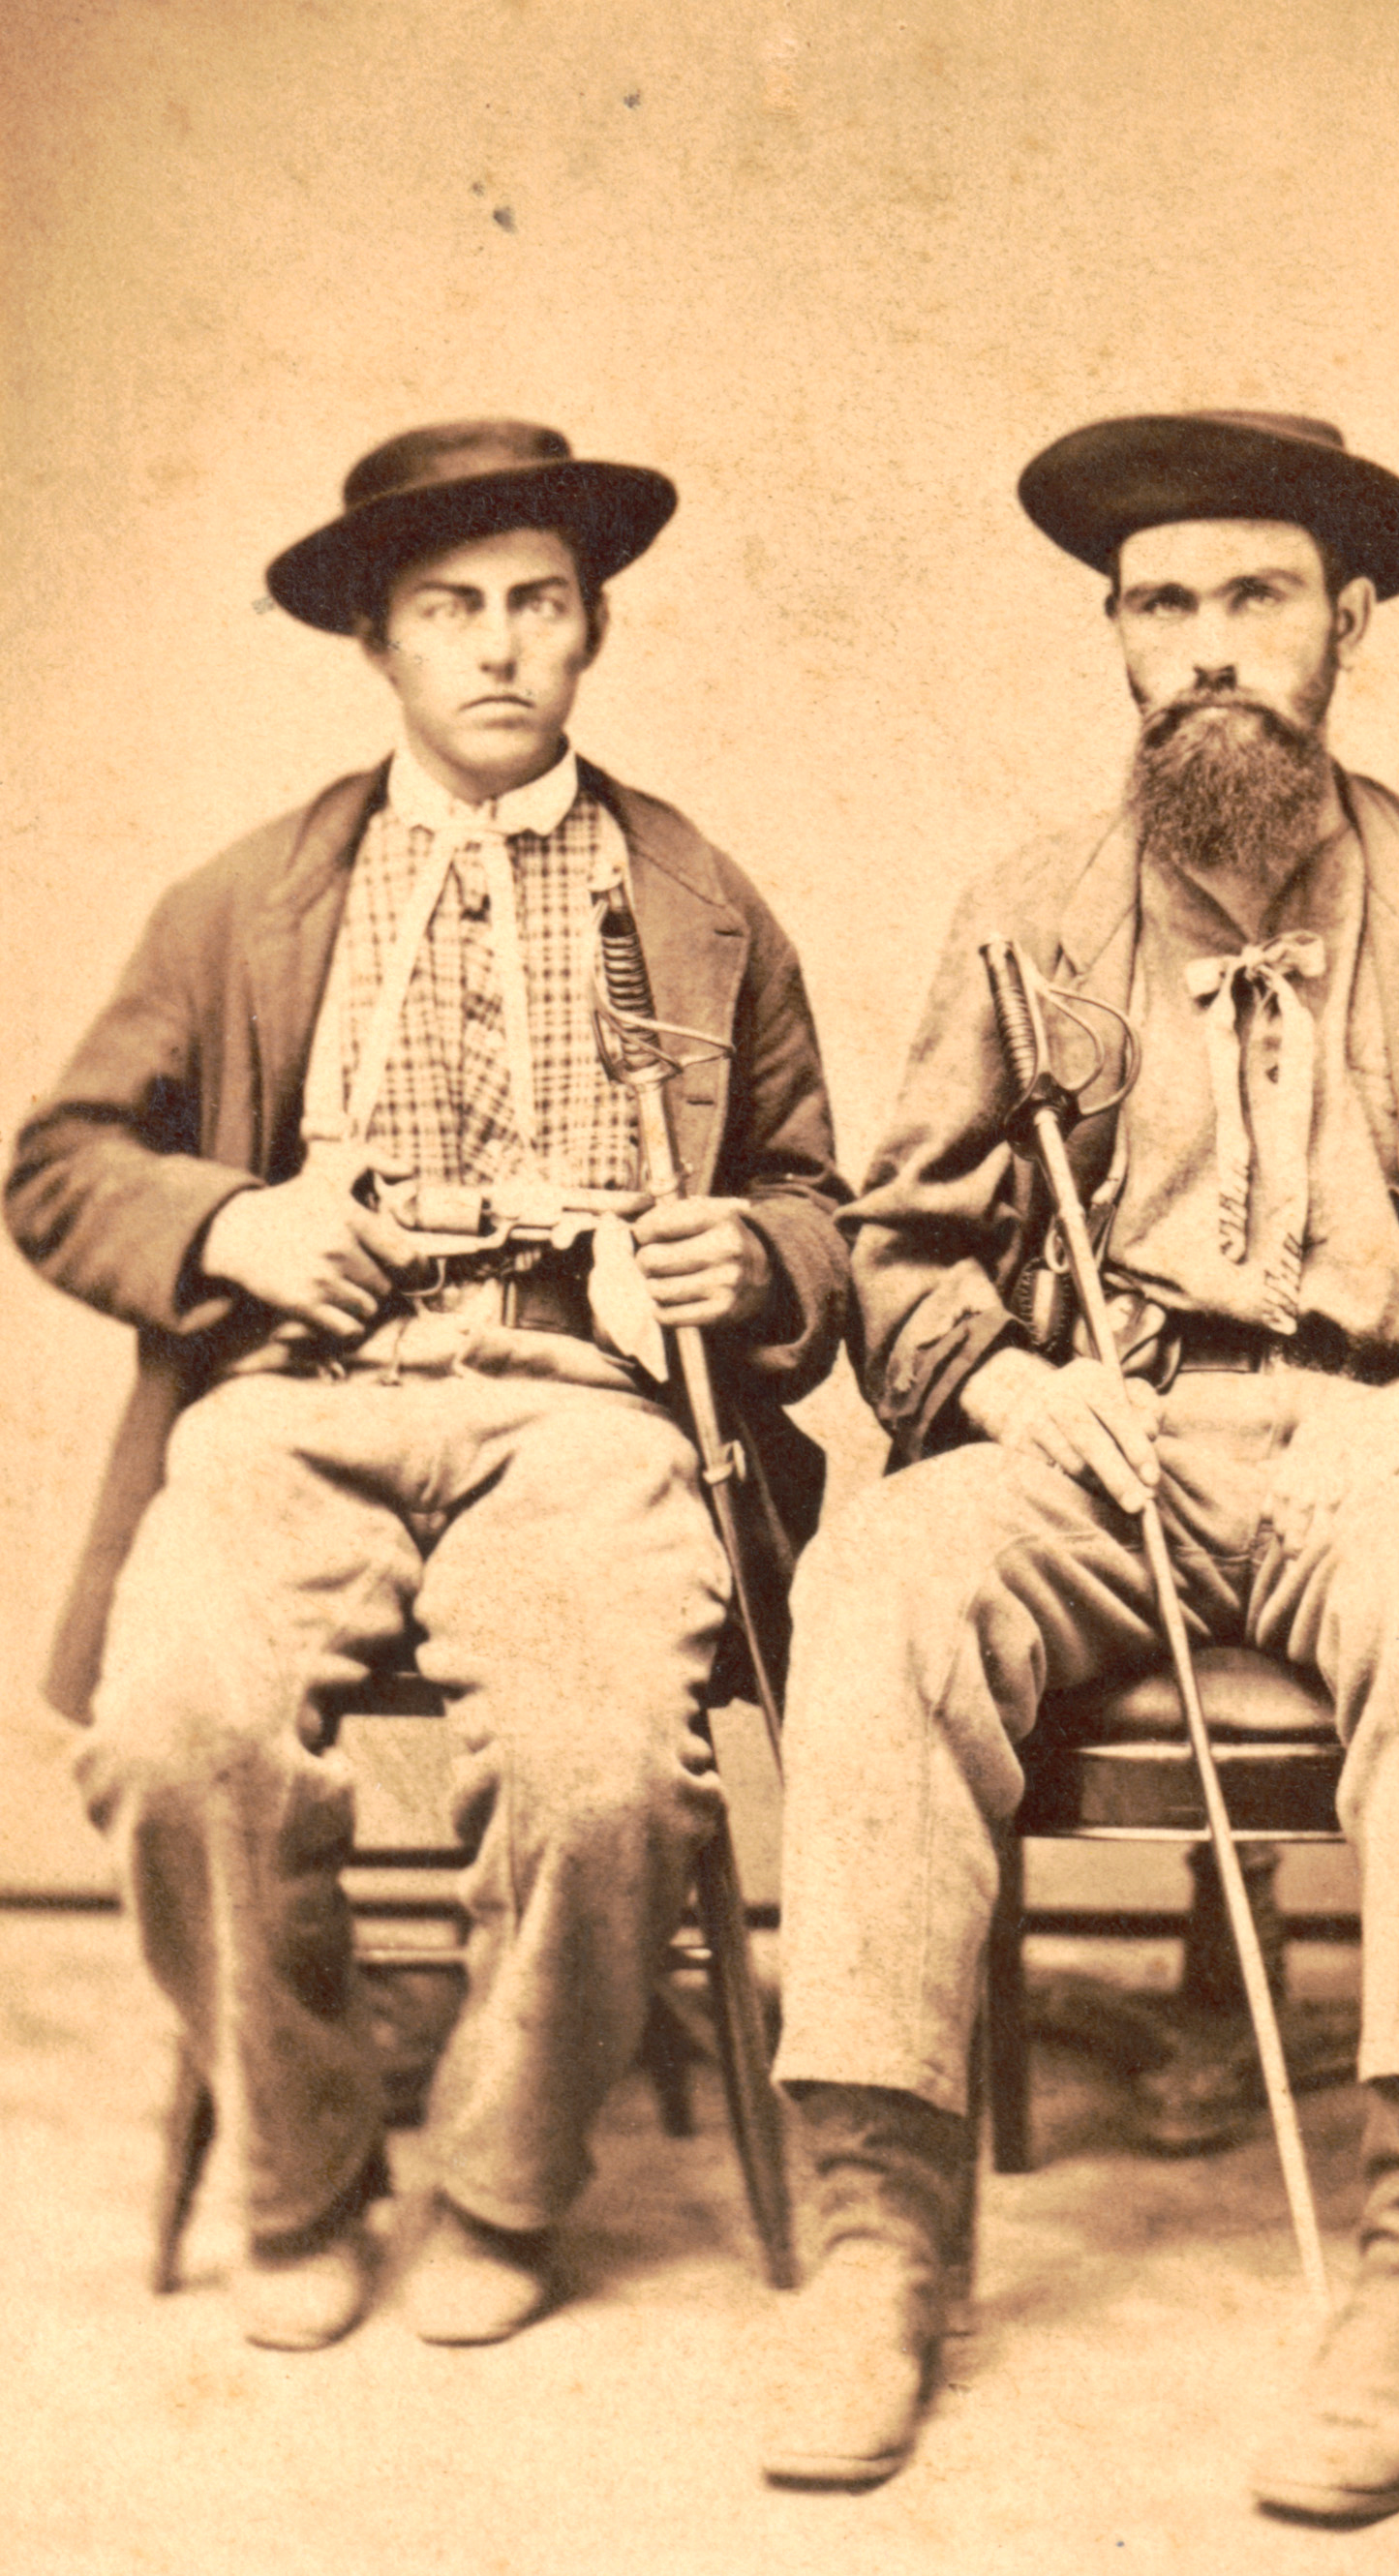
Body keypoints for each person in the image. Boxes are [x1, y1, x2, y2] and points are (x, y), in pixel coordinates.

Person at [763, 410, 1399, 2521]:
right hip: (1109, 1432)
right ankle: (879, 2251)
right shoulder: (1028, 906)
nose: (1205, 646)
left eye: (1251, 596)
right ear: (1113, 635)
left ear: (1346, 621)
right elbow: (898, 1242)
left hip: (1388, 1424)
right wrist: (1001, 1385)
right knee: (885, 1574)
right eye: (1160, 602)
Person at [7, 419, 848, 2352]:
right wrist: (232, 1231)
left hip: (587, 1404)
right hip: (297, 1392)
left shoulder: (701, 895)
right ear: (374, 644)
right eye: (448, 609)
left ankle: (499, 2174)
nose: (497, 647)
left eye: (538, 605)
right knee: (176, 1729)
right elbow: (60, 1163)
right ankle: (297, 2170)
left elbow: (818, 1195)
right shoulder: (251, 897)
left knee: (606, 1760)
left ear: (592, 630)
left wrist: (755, 1256)